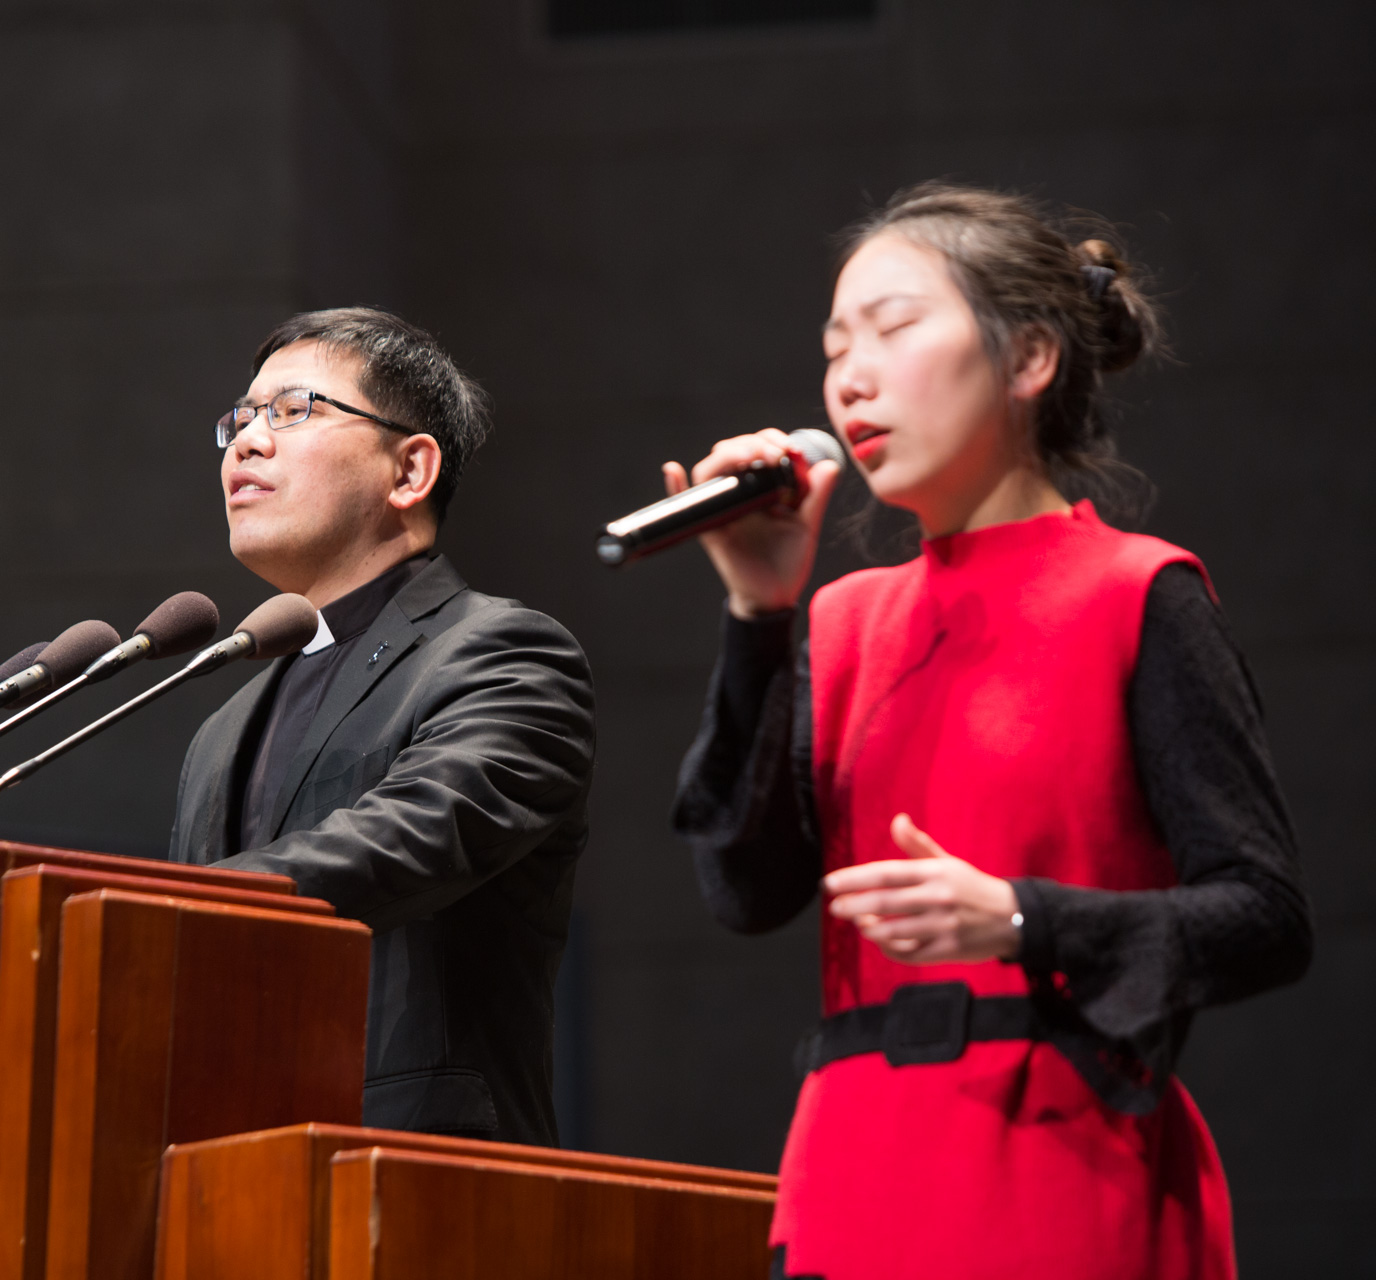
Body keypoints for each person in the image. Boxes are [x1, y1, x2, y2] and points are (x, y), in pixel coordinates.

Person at [668, 184, 1311, 1279]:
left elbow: (1265, 916)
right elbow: (744, 888)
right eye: (834, 347)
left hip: (1061, 1161)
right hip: (850, 1174)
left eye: (895, 326)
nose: (850, 377)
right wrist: (759, 615)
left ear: (1029, 361)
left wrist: (1023, 916)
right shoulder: (844, 617)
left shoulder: (1137, 594)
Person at [168, 307, 594, 1145]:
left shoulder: (503, 654)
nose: (247, 443)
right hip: (215, 1179)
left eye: (293, 411)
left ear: (410, 469)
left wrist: (153, 910)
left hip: (415, 1168)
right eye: (241, 419)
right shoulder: (222, 726)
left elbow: (410, 839)